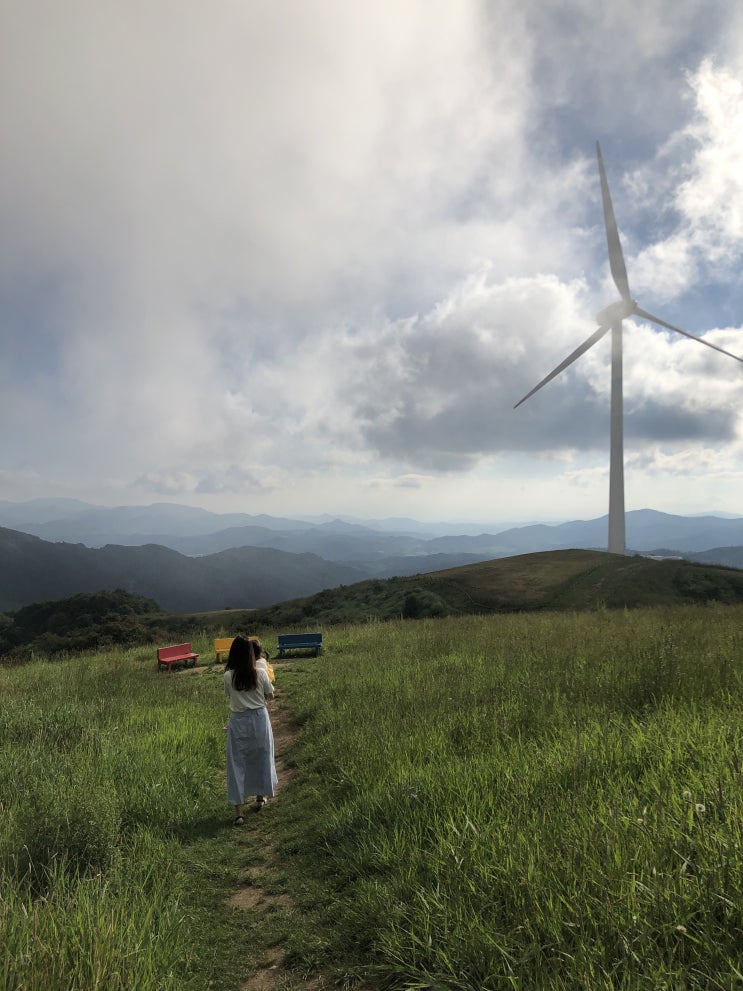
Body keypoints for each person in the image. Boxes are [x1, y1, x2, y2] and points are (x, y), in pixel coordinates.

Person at [224, 635, 278, 824]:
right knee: (261, 757)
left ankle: (239, 812)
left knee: (236, 762)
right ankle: (260, 797)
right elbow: (270, 695)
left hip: (238, 721)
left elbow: (229, 695)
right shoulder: (260, 673)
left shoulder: (228, 676)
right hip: (259, 718)